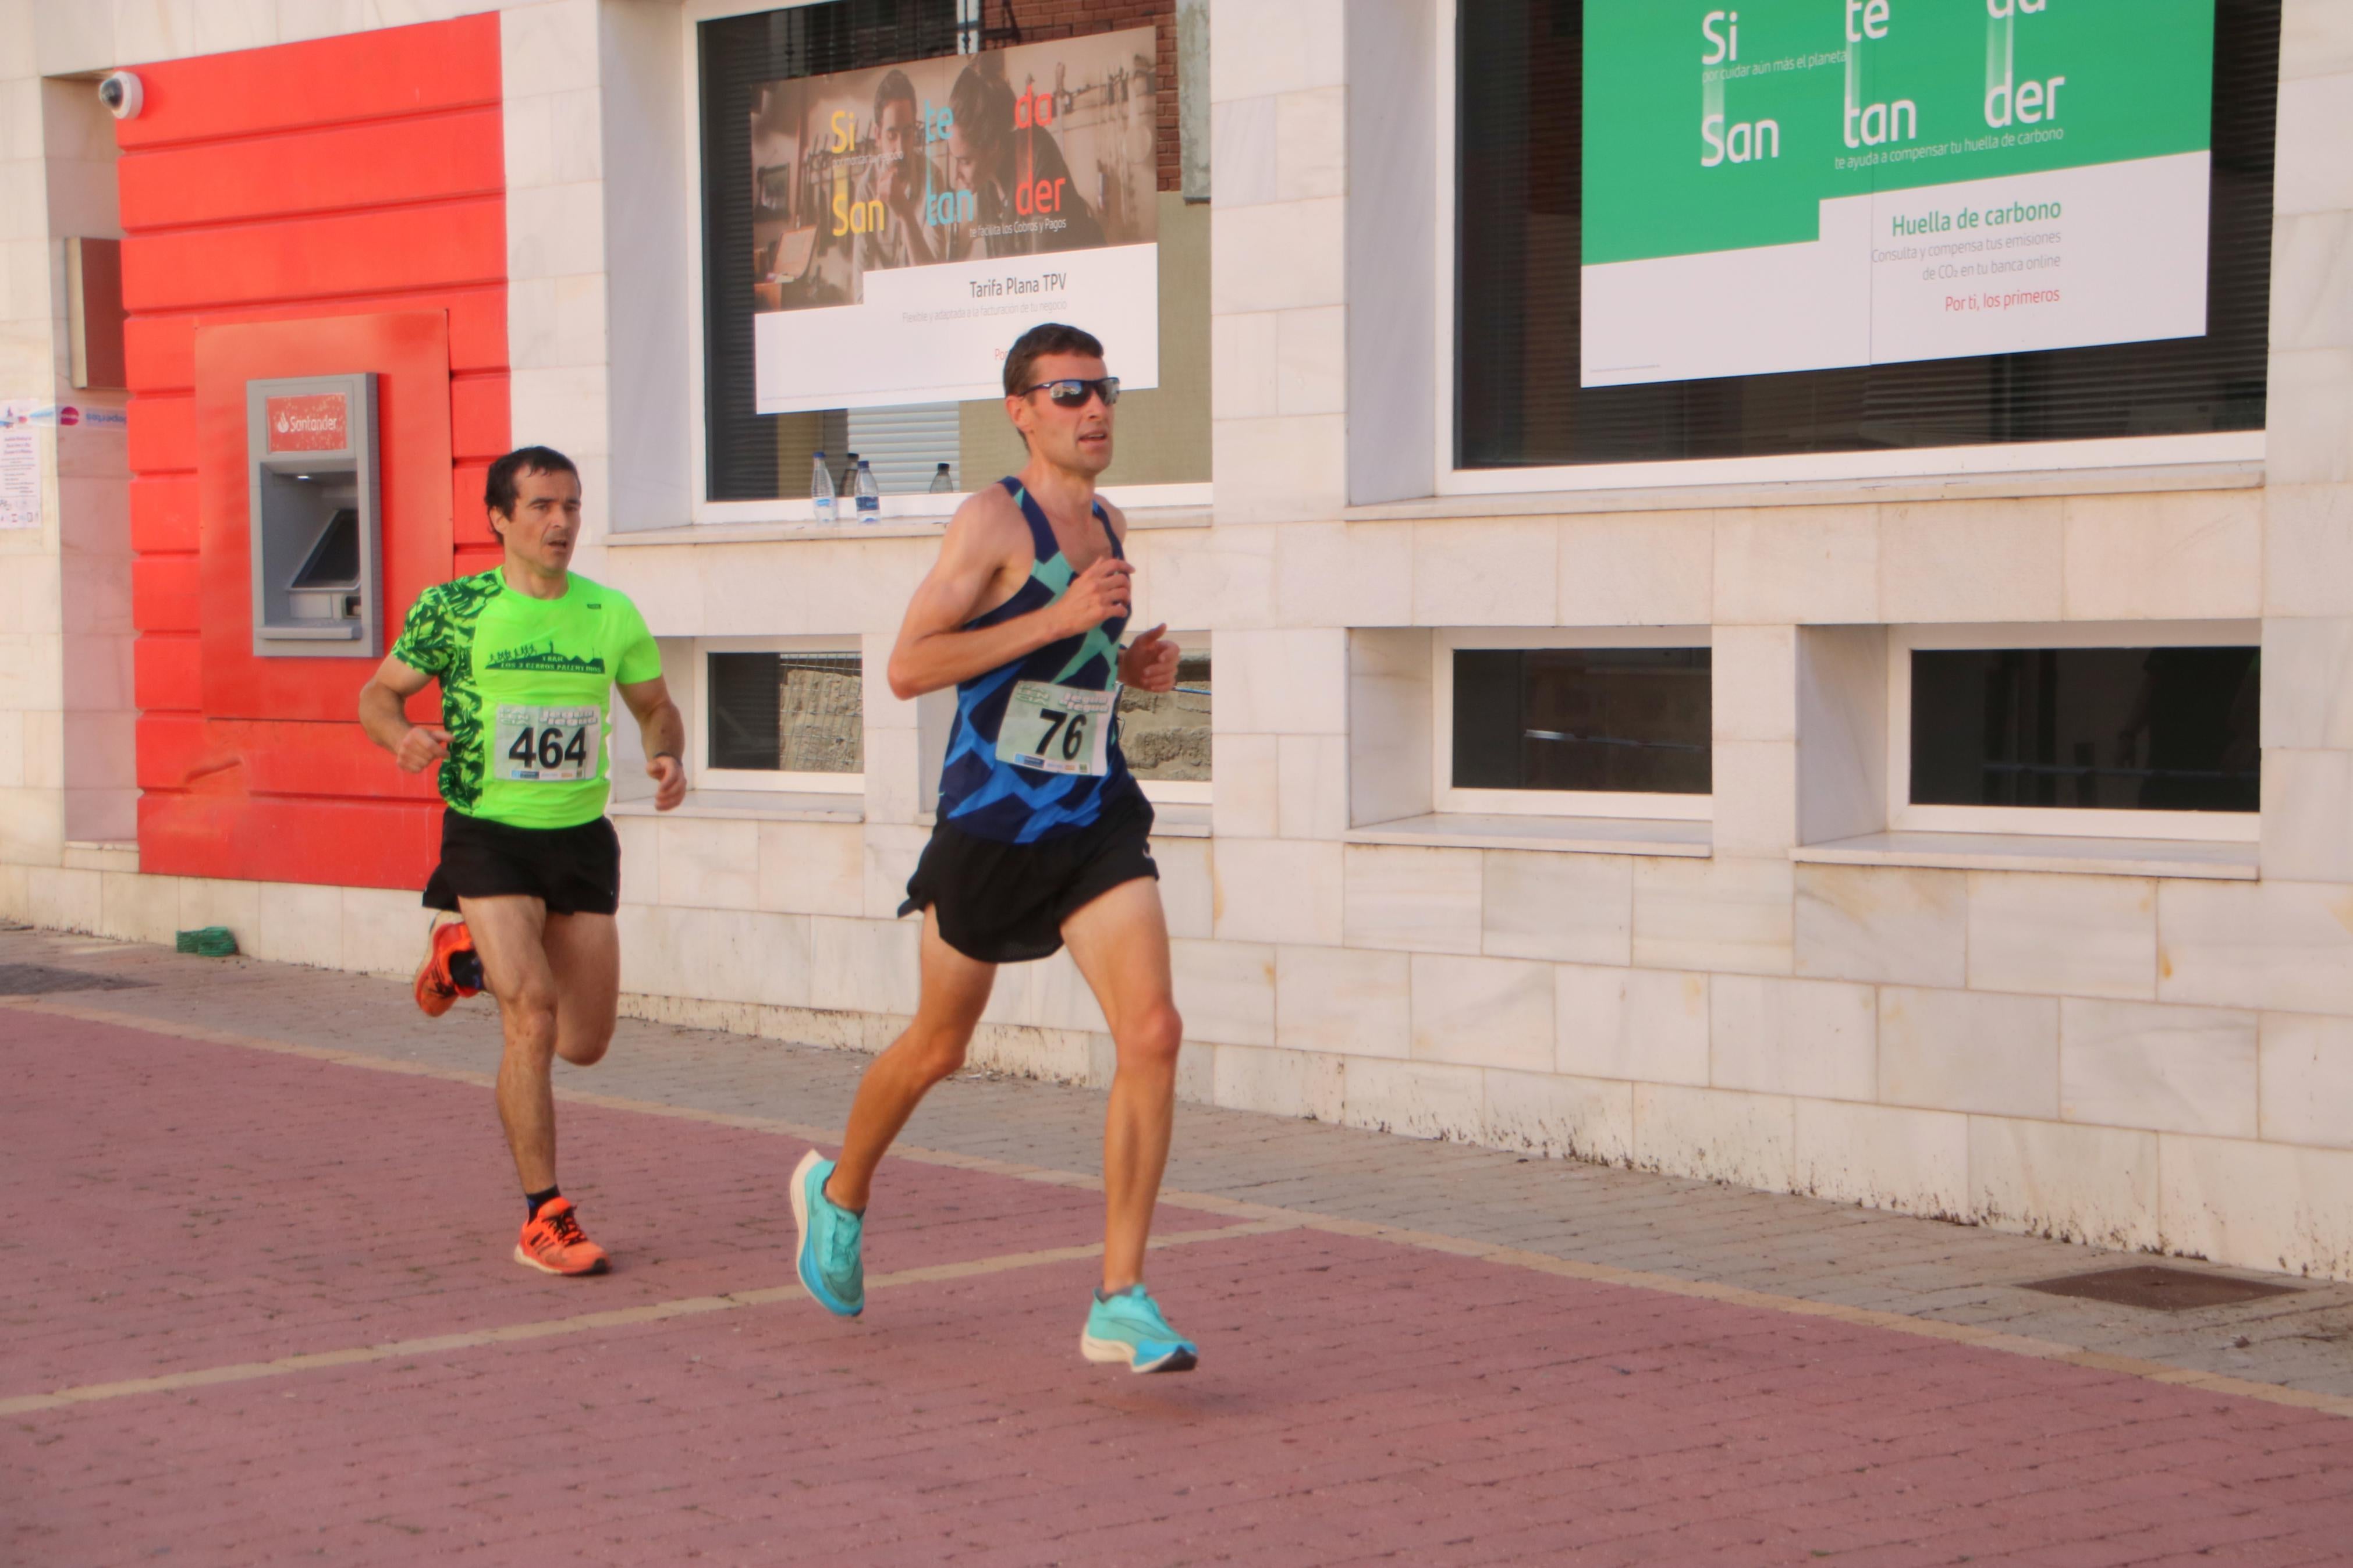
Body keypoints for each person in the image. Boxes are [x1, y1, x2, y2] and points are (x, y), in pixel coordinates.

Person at [789, 322, 1197, 1373]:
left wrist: (1133, 670)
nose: (1095, 410)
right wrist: (1056, 616)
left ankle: (1120, 1294)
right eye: (1069, 394)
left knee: (1152, 1030)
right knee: (939, 1045)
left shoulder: (1110, 520)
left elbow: (1075, 673)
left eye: (1104, 390)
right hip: (990, 826)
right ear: (1021, 411)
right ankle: (838, 1195)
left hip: (1092, 815)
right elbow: (910, 668)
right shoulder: (990, 523)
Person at [357, 446, 686, 1278]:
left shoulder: (609, 612)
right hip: (489, 832)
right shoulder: (456, 609)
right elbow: (378, 694)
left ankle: (457, 955)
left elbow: (654, 705)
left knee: (584, 1042)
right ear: (499, 518)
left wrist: (666, 755)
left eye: (572, 506)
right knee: (531, 1015)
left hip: (579, 839)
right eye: (542, 506)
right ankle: (545, 1216)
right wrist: (403, 739)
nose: (562, 523)